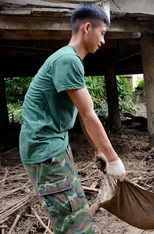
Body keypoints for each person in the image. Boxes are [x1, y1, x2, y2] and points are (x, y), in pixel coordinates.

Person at [19, 4, 126, 233]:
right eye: (103, 33)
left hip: (50, 145)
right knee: (75, 224)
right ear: (88, 28)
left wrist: (98, 150)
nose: (104, 40)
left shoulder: (67, 58)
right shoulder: (68, 60)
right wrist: (114, 159)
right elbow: (89, 115)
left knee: (71, 216)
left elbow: (80, 115)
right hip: (46, 149)